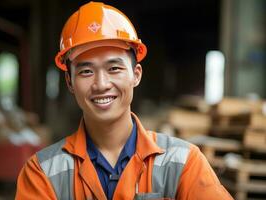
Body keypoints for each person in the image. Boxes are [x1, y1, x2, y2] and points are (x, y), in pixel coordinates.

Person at [16, 2, 234, 200]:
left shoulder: (183, 163)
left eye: (114, 68)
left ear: (136, 74)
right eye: (86, 71)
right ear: (70, 81)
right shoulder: (42, 172)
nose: (101, 84)